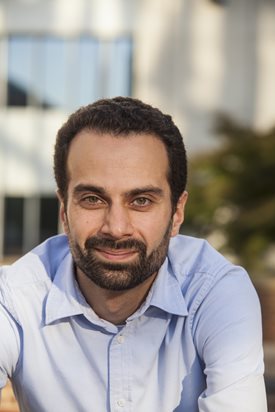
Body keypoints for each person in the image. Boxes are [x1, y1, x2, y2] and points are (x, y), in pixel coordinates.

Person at [0, 97, 267, 412]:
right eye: (92, 199)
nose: (116, 228)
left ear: (177, 212)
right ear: (64, 209)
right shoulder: (15, 297)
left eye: (141, 200)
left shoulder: (215, 292)